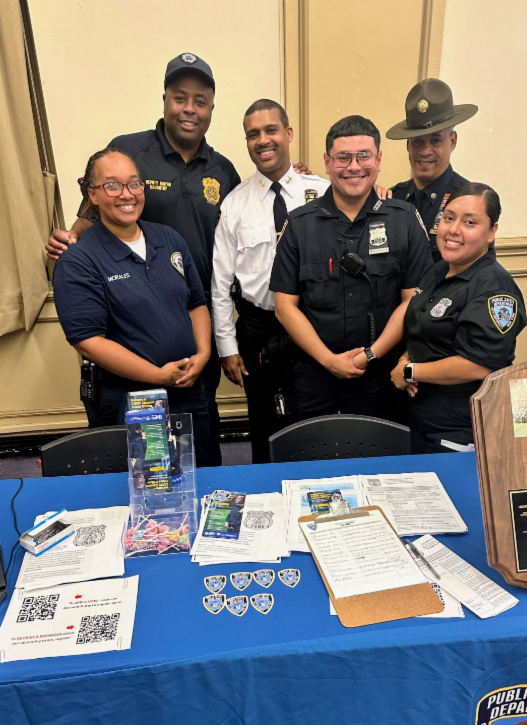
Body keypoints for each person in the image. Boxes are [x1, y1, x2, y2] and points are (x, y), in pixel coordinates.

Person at [46, 53, 241, 466]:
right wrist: (69, 243)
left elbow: (240, 235)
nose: (189, 109)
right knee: (137, 469)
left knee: (200, 452)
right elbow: (88, 220)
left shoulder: (224, 170)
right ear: (165, 99)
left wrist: (301, 181)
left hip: (194, 341)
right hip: (130, 365)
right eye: (180, 98)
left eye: (200, 100)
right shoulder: (128, 149)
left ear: (210, 107)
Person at [52, 148, 220, 466]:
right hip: (129, 399)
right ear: (92, 195)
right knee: (141, 483)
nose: (127, 194)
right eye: (112, 185)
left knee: (198, 470)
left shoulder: (169, 239)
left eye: (134, 184)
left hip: (187, 385)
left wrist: (203, 354)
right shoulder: (78, 261)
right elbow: (88, 340)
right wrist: (158, 375)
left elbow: (196, 303)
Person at [270, 116, 432, 422]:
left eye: (364, 156)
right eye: (343, 157)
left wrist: (369, 355)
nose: (354, 167)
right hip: (314, 371)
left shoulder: (404, 220)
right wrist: (329, 361)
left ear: (379, 160)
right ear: (328, 162)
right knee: (309, 461)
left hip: (381, 373)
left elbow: (414, 301)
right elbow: (284, 307)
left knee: (382, 462)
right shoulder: (299, 224)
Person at [211, 99, 330, 463]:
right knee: (262, 422)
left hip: (314, 322)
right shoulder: (234, 204)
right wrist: (227, 347)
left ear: (289, 133)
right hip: (257, 327)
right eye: (253, 134)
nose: (263, 140)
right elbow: (219, 283)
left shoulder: (326, 192)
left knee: (315, 418)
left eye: (271, 130)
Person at [390, 183, 527, 453]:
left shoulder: (494, 288)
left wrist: (409, 372)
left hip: (460, 426)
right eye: (449, 218)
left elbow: (477, 364)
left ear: (492, 232)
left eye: (470, 222)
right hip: (423, 414)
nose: (453, 230)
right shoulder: (440, 270)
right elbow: (423, 328)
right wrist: (407, 358)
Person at [385, 78, 477, 262]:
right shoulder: (394, 198)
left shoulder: (470, 202)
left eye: (435, 140)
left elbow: (477, 276)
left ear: (452, 141)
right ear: (408, 145)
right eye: (418, 141)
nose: (426, 151)